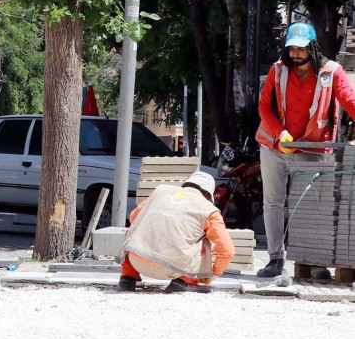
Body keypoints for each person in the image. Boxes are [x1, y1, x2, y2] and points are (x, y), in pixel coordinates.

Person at [254, 22, 355, 277]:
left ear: (312, 47)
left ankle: (314, 260)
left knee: (313, 204)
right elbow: (264, 108)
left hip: (312, 146)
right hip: (276, 146)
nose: (296, 54)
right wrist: (281, 134)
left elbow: (349, 99)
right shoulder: (277, 71)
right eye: (292, 49)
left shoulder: (332, 72)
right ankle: (275, 259)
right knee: (273, 202)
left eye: (301, 49)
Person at [117, 171, 235, 294]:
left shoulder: (161, 191)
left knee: (137, 228)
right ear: (208, 196)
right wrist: (212, 274)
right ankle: (185, 281)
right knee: (204, 242)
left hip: (137, 261)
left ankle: (127, 277)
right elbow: (227, 251)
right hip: (173, 269)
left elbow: (133, 217)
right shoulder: (209, 210)